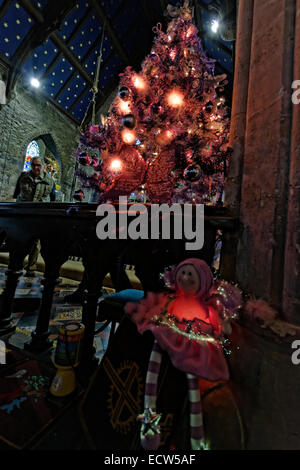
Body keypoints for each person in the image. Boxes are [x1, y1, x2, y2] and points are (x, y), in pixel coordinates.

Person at [13, 156, 56, 275]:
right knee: (20, 240)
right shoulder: (23, 177)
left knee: (35, 242)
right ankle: (16, 264)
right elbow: (16, 194)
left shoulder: (50, 181)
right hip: (24, 213)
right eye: (34, 165)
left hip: (39, 215)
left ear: (43, 166)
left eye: (39, 165)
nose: (36, 168)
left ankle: (31, 267)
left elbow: (52, 201)